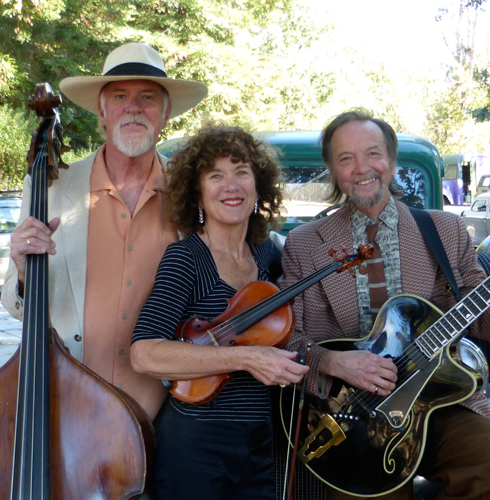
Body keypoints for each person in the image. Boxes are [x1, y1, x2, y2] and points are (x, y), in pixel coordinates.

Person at [281, 108, 490, 499]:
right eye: (346, 158)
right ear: (333, 172)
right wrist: (331, 362)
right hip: (350, 416)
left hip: (439, 402)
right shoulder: (306, 244)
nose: (362, 168)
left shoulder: (444, 230)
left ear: (391, 162)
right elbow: (285, 339)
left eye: (373, 153)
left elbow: (481, 319)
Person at [1, 42, 207, 421]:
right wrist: (26, 270)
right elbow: (15, 307)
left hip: (167, 410)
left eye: (147, 97)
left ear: (165, 114)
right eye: (119, 96)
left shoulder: (192, 190)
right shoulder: (49, 185)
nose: (133, 107)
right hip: (68, 400)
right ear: (102, 111)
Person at [130, 124, 309, 500]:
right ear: (198, 192)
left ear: (258, 188)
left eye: (242, 172)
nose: (232, 185)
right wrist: (245, 357)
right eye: (216, 176)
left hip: (259, 441)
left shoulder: (268, 256)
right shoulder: (186, 258)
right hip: (195, 444)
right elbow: (144, 353)